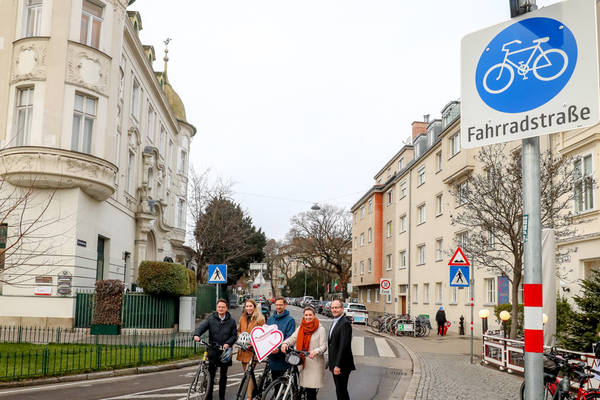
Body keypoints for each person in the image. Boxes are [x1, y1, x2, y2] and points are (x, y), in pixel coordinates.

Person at [193, 298, 237, 400]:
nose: (221, 309)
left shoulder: (231, 321)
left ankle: (222, 397)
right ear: (217, 308)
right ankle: (209, 397)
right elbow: (201, 327)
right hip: (213, 350)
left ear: (226, 308)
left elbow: (234, 335)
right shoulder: (211, 319)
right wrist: (196, 334)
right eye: (219, 307)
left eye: (223, 307)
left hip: (225, 352)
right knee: (211, 375)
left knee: (223, 375)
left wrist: (228, 343)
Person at [281, 307, 327, 400]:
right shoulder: (301, 327)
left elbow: (323, 346)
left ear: (314, 315)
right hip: (302, 361)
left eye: (310, 315)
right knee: (302, 386)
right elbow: (293, 338)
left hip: (314, 362)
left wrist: (316, 351)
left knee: (311, 391)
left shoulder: (320, 329)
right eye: (306, 315)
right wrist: (285, 343)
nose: (308, 317)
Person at [237, 299, 265, 400]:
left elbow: (263, 335)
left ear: (254, 307)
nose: (248, 308)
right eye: (247, 306)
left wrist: (253, 342)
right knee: (248, 374)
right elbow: (239, 331)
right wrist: (241, 336)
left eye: (250, 306)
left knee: (249, 374)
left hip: (253, 351)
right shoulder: (242, 318)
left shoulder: (260, 319)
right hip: (243, 349)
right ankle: (257, 394)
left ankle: (250, 397)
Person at [327, 299, 355, 400]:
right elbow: (332, 344)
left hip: (342, 365)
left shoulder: (344, 323)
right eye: (332, 308)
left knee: (341, 391)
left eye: (336, 307)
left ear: (342, 309)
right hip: (335, 363)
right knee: (340, 390)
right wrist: (331, 362)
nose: (334, 310)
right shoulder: (336, 321)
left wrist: (338, 365)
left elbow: (343, 346)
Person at [267, 297, 296, 380]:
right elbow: (267, 336)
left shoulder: (290, 320)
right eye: (277, 305)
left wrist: (278, 348)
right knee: (273, 380)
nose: (278, 307)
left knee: (281, 382)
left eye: (280, 305)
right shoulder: (270, 319)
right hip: (272, 356)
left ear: (285, 305)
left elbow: (289, 337)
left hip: (283, 356)